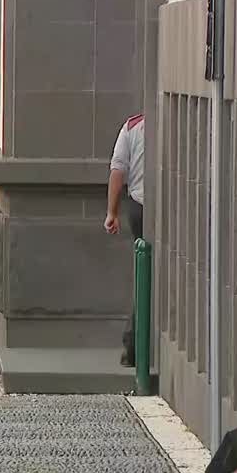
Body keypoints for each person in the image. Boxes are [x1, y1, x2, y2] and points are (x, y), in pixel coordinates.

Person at [104, 113, 145, 367]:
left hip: (139, 207)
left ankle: (133, 346)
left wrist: (112, 212)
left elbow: (118, 170)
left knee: (144, 275)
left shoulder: (132, 126)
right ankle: (136, 344)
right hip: (165, 208)